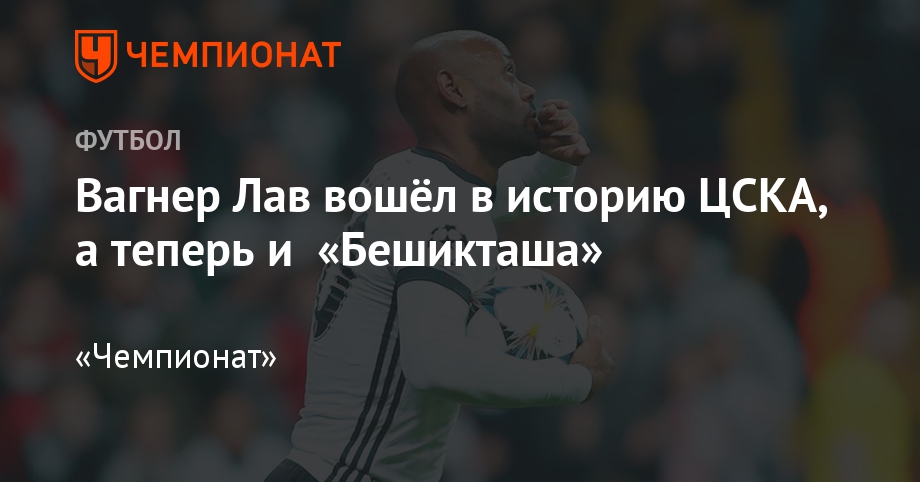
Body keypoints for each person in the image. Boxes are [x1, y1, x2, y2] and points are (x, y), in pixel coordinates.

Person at [266, 30, 613, 482]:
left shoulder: (407, 176)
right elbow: (435, 364)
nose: (528, 91)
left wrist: (555, 162)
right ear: (454, 89)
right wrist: (575, 382)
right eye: (509, 74)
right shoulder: (437, 199)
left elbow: (504, 199)